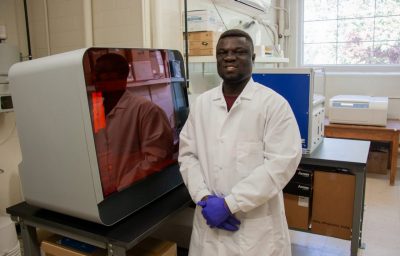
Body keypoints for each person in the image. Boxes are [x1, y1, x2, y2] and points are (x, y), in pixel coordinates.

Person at [178, 29, 302, 255]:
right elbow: (188, 155)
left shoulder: (274, 105)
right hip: (209, 224)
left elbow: (280, 165)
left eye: (239, 51)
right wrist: (204, 198)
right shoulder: (202, 104)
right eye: (222, 52)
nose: (229, 57)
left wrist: (230, 204)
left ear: (253, 58)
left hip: (254, 231)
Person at [92, 53, 174, 197]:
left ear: (122, 75)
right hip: (104, 194)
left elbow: (157, 158)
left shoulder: (146, 110)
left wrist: (122, 186)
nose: (97, 78)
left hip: (134, 193)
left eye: (104, 73)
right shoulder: (96, 109)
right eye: (96, 73)